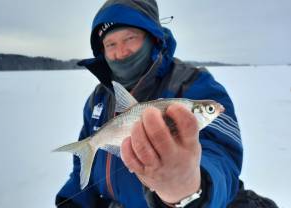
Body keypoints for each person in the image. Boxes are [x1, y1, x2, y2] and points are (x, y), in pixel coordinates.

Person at [55, 0, 278, 207]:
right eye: (110, 43)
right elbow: (82, 167)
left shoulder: (193, 84)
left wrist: (189, 188)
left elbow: (222, 158)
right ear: (102, 51)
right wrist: (74, 201)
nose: (121, 52)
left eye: (130, 38)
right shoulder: (99, 98)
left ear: (151, 36)